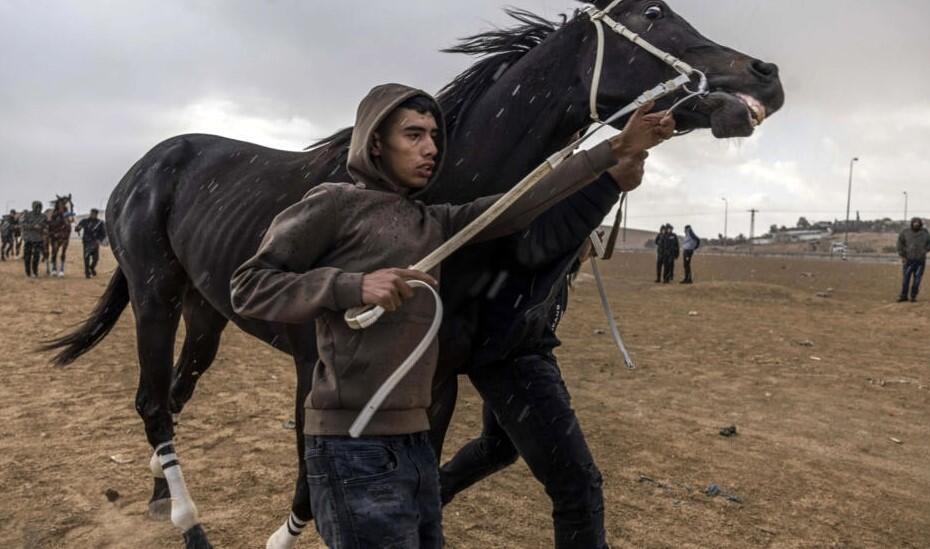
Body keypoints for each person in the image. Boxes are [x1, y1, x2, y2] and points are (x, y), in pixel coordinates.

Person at [228, 83, 674, 548]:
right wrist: (352, 286)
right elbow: (249, 285)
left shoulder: (436, 222)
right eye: (414, 135)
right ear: (375, 142)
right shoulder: (334, 204)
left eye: (435, 137)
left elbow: (519, 204)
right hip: (351, 447)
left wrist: (616, 149)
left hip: (417, 443)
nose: (431, 149)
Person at [439, 150, 647, 549]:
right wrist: (608, 183)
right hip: (515, 358)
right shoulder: (536, 228)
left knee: (498, 448)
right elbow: (545, 245)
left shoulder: (562, 238)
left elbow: (586, 245)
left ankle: (429, 496)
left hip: (515, 354)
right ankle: (428, 498)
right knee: (578, 486)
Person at [896, 217, 930, 302]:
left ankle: (913, 296)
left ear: (920, 224)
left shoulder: (925, 233)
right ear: (911, 223)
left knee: (917, 280)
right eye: (914, 222)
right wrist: (902, 255)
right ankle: (903, 296)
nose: (916, 224)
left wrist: (925, 250)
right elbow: (899, 244)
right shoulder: (905, 232)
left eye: (918, 223)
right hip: (908, 260)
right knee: (906, 279)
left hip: (920, 261)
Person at [75, 208, 107, 278]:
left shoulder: (100, 223)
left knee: (96, 259)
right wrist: (77, 228)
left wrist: (99, 240)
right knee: (86, 258)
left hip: (95, 242)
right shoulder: (84, 221)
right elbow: (77, 228)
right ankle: (87, 273)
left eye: (93, 214)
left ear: (96, 215)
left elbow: (103, 234)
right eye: (91, 213)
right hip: (86, 242)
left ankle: (92, 268)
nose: (92, 215)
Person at [21, 201, 47, 278]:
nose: (38, 209)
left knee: (36, 257)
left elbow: (46, 225)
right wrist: (33, 226)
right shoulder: (27, 215)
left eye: (40, 207)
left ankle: (35, 272)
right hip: (28, 239)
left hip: (38, 239)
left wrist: (43, 228)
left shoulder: (43, 216)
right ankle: (28, 272)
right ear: (33, 207)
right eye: (37, 207)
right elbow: (23, 224)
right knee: (27, 257)